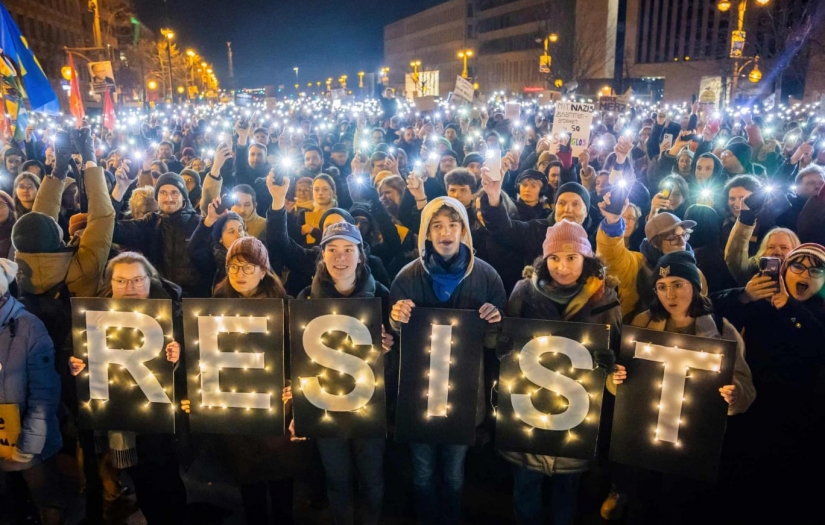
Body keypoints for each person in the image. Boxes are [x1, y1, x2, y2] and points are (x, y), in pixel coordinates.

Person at [606, 251, 755, 524]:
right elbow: (620, 380)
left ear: (695, 286)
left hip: (693, 442)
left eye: (678, 285)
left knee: (680, 506)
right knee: (643, 504)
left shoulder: (722, 330)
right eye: (662, 287)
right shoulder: (642, 323)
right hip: (645, 440)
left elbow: (744, 385)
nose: (670, 294)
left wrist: (735, 396)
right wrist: (615, 380)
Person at [390, 197, 506, 525]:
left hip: (465, 399)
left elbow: (496, 344)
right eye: (437, 226)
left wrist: (495, 322)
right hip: (419, 398)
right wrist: (396, 319)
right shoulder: (407, 277)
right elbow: (394, 338)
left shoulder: (487, 277)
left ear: (464, 231)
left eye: (453, 225)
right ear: (426, 233)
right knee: (423, 473)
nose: (446, 233)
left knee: (455, 476)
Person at [502, 220, 621, 525]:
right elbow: (503, 344)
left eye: (571, 258)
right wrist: (501, 342)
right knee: (525, 498)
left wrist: (609, 363)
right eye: (554, 258)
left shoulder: (604, 298)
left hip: (575, 423)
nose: (562, 267)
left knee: (565, 502)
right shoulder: (524, 292)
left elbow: (618, 355)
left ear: (586, 259)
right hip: (529, 418)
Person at [68, 252, 188, 524]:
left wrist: (180, 355)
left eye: (137, 279)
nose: (130, 287)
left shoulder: (173, 312)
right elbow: (74, 350)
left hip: (162, 419)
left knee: (168, 479)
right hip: (121, 419)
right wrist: (75, 363)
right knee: (143, 481)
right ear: (110, 282)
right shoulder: (93, 315)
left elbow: (197, 360)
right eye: (121, 280)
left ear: (150, 279)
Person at [712, 244, 825, 523]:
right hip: (755, 407)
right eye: (798, 266)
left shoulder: (817, 310)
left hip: (801, 415)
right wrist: (743, 296)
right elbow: (711, 308)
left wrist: (792, 308)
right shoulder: (760, 303)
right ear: (784, 270)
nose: (806, 275)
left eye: (816, 269)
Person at [294, 221, 395, 525]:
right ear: (322, 255)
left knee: (372, 479)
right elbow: (298, 359)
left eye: (348, 249)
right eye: (333, 249)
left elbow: (401, 361)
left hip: (369, 406)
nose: (341, 257)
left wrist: (389, 350)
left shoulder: (383, 295)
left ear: (361, 255)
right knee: (336, 479)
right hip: (327, 406)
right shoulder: (306, 300)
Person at [203, 237, 309, 524]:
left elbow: (302, 353)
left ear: (264, 271)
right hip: (238, 408)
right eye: (234, 267)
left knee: (281, 478)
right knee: (248, 478)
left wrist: (294, 383)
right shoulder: (215, 307)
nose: (240, 274)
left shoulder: (286, 306)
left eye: (249, 267)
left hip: (278, 405)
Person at [0, 258, 65, 525]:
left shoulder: (28, 326)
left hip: (28, 445)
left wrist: (30, 443)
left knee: (46, 502)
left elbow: (44, 392)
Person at [597, 192, 707, 320]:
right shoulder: (638, 263)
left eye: (684, 235)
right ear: (655, 244)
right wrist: (613, 221)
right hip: (639, 333)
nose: (682, 242)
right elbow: (612, 256)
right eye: (673, 238)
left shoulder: (695, 272)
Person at [111, 172, 207, 298]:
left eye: (174, 192)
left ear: (184, 196)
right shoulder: (150, 223)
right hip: (159, 301)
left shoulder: (200, 224)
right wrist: (120, 189)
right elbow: (112, 231)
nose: (169, 198)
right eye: (163, 193)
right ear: (157, 197)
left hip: (195, 302)